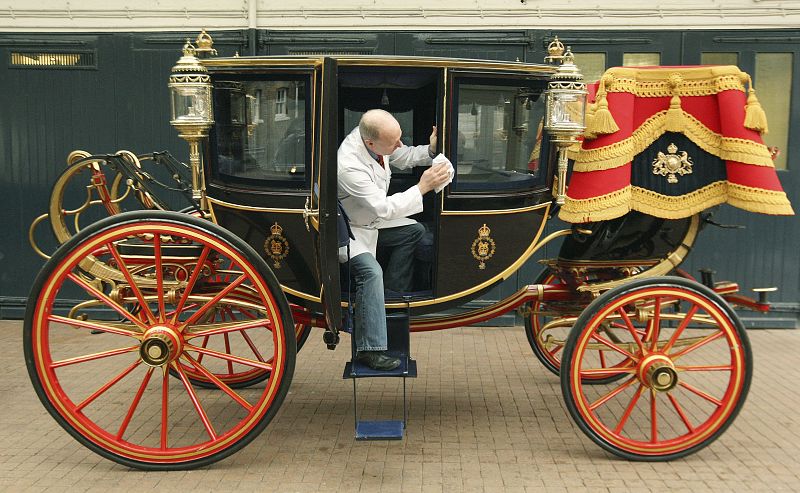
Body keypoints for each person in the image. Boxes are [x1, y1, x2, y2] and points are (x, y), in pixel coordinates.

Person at [338, 109, 451, 370]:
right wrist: (423, 187)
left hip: (369, 220)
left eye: (399, 137)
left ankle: (391, 296)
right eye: (394, 141)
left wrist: (431, 151)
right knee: (370, 273)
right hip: (351, 230)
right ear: (370, 143)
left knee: (415, 231)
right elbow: (384, 209)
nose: (399, 144)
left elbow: (401, 154)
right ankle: (370, 349)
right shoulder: (348, 165)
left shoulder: (374, 141)